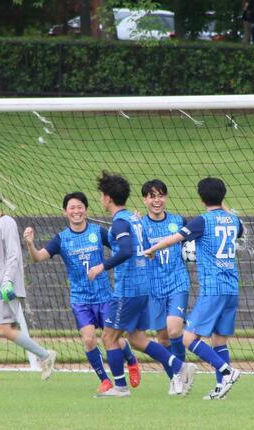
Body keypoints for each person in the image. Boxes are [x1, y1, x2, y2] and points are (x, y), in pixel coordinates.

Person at [86, 171, 196, 398]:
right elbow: (144, 245)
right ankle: (180, 366)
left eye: (101, 196)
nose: (100, 200)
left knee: (109, 337)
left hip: (128, 290)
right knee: (137, 339)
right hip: (144, 288)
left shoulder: (119, 223)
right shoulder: (135, 219)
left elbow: (126, 250)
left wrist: (101, 267)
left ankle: (120, 387)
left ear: (107, 197)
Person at [22, 192, 140, 395]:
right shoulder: (61, 239)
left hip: (105, 296)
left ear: (85, 209)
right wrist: (30, 244)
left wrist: (134, 224)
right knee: (88, 339)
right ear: (65, 212)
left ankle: (131, 361)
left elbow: (123, 247)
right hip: (80, 299)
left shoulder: (99, 232)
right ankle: (105, 380)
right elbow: (38, 258)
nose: (76, 211)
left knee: (115, 339)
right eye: (72, 208)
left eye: (80, 207)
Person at [144, 177, 243, 400]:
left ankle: (227, 372)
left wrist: (153, 249)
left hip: (213, 288)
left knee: (188, 338)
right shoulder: (234, 221)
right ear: (222, 196)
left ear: (201, 198)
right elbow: (238, 228)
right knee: (219, 340)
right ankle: (221, 389)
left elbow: (174, 239)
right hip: (232, 289)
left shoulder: (202, 221)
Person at [0, 189, 56, 382]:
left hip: (3, 286)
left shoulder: (7, 223)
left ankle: (45, 356)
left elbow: (14, 256)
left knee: (5, 328)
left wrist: (6, 283)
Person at [140, 179, 191, 395]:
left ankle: (183, 374)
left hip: (178, 282)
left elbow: (198, 239)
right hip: (153, 288)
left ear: (166, 198)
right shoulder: (139, 225)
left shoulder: (179, 221)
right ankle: (175, 377)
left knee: (174, 329)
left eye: (160, 195)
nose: (157, 200)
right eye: (152, 196)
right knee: (162, 338)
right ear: (145, 200)